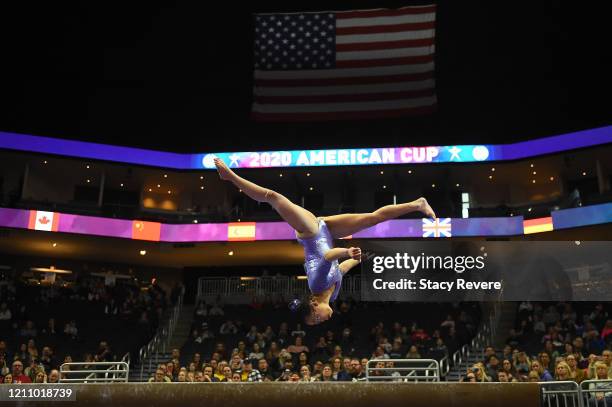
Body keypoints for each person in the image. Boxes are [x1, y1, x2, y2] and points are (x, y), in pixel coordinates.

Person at [214, 158, 436, 325]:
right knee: (373, 218)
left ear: (313, 305)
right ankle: (417, 204)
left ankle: (230, 177)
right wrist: (357, 260)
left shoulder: (316, 285)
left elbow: (327, 257)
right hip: (326, 230)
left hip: (310, 233)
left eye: (316, 319)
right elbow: (339, 269)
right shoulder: (334, 293)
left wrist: (346, 252)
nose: (322, 321)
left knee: (274, 198)